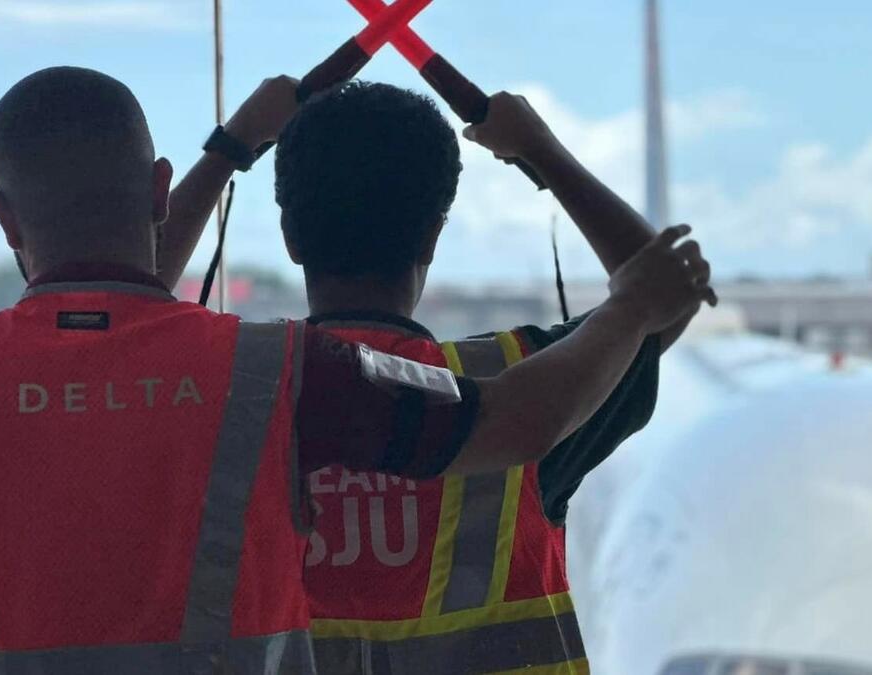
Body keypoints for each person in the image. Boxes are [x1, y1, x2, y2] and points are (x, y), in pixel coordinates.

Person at [0, 68, 710, 675]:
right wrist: (617, 278)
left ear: (2, 216)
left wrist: (230, 148)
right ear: (158, 191)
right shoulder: (272, 376)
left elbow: (109, 311)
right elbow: (533, 401)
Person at [158, 81, 714, 673]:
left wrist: (231, 147)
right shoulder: (532, 382)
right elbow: (660, 303)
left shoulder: (224, 391)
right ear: (433, 235)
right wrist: (541, 151)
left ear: (291, 238)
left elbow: (115, 312)